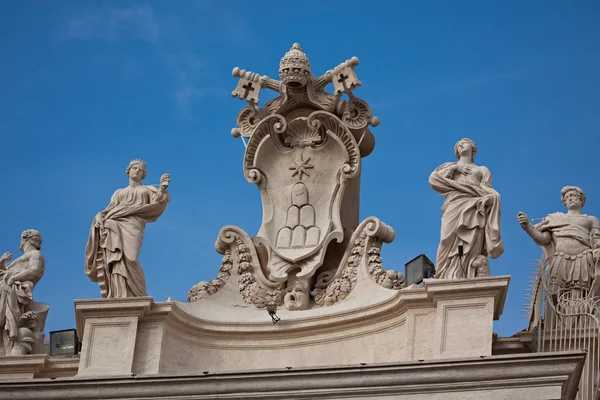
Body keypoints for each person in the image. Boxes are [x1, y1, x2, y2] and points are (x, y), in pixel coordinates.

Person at [84, 160, 171, 298]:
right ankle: (119, 293)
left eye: (140, 170)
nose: (137, 171)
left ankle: (139, 294)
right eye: (135, 168)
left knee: (131, 258)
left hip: (134, 225)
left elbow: (159, 202)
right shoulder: (119, 192)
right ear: (128, 171)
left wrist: (162, 188)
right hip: (114, 225)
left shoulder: (147, 189)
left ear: (143, 175)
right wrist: (99, 216)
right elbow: (109, 210)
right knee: (116, 259)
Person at [429, 138, 504, 279]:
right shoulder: (449, 166)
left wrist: (490, 198)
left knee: (470, 241)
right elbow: (434, 180)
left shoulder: (482, 170)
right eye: (458, 145)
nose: (461, 145)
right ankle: (442, 273)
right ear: (457, 153)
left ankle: (467, 272)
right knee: (446, 239)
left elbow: (488, 191)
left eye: (464, 143)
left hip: (474, 207)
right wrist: (454, 169)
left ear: (473, 148)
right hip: (454, 205)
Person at [518, 186, 600, 298]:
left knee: (579, 294)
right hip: (560, 259)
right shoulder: (555, 218)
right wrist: (528, 226)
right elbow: (544, 239)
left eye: (572, 195)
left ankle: (578, 315)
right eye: (566, 197)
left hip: (583, 259)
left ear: (581, 199)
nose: (569, 199)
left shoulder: (591, 219)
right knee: (555, 294)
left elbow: (596, 242)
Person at [0, 229, 45, 355]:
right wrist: (2, 262)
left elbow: (34, 270)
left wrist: (14, 278)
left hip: (17, 288)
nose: (20, 243)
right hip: (8, 285)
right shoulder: (24, 257)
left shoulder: (35, 254)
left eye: (22, 239)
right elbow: (6, 272)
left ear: (27, 239)